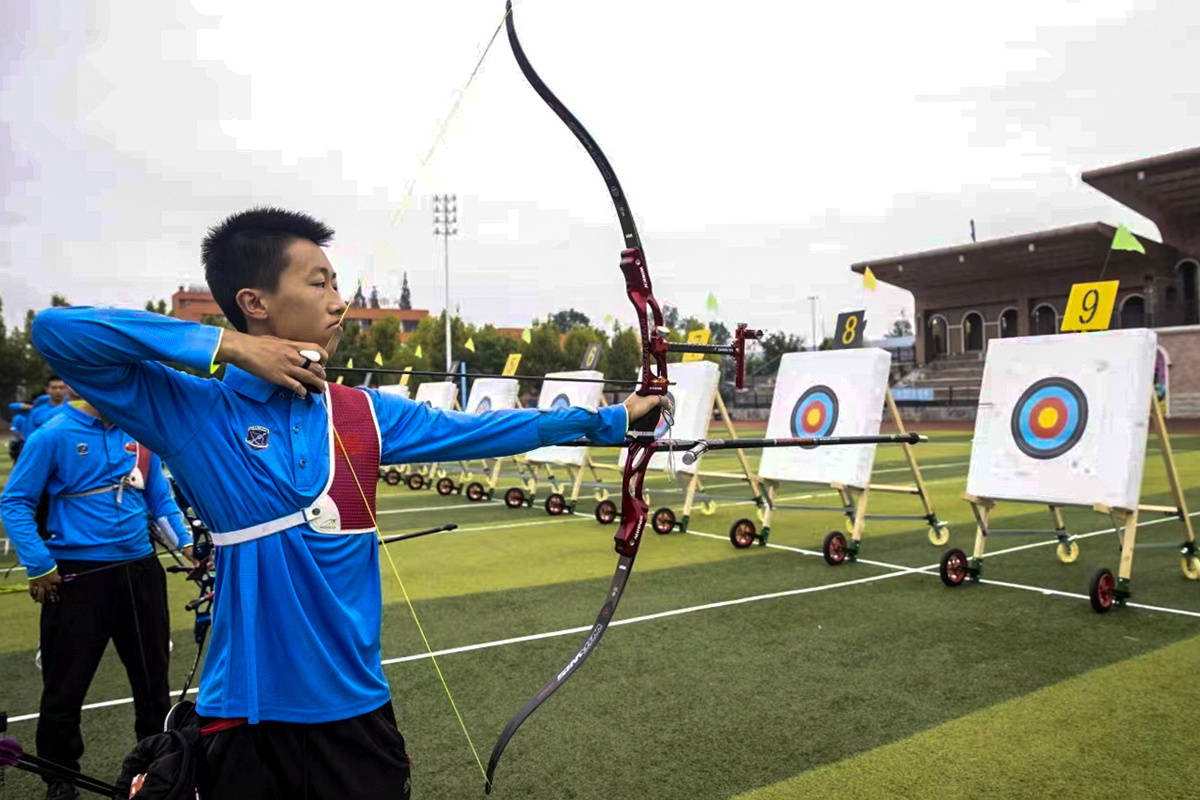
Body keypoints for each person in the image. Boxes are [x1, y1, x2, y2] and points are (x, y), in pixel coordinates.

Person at [31, 207, 666, 799]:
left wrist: (612, 420)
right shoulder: (196, 411)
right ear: (254, 303)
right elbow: (57, 332)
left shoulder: (362, 413)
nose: (339, 302)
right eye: (319, 284)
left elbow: (483, 429)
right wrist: (233, 347)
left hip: (358, 712)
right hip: (248, 715)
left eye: (337, 284)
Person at [0, 399, 195, 800]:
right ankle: (60, 778)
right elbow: (15, 501)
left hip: (141, 572)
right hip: (78, 577)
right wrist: (39, 564)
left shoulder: (139, 431)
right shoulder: (53, 434)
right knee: (65, 686)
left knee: (153, 683)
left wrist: (188, 544)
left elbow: (160, 499)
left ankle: (158, 771)